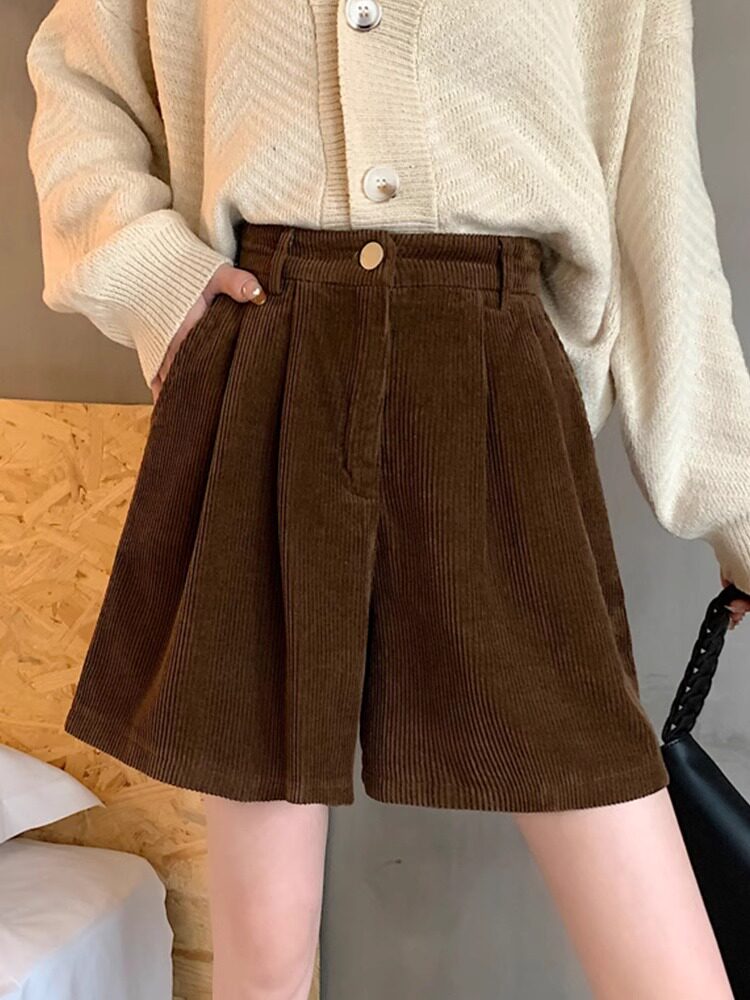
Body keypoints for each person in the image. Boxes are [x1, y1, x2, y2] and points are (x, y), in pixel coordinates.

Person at [24, 1, 750, 997]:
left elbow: (658, 219)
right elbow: (80, 79)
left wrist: (737, 510)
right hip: (268, 353)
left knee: (663, 957)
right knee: (263, 965)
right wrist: (155, 276)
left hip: (494, 374)